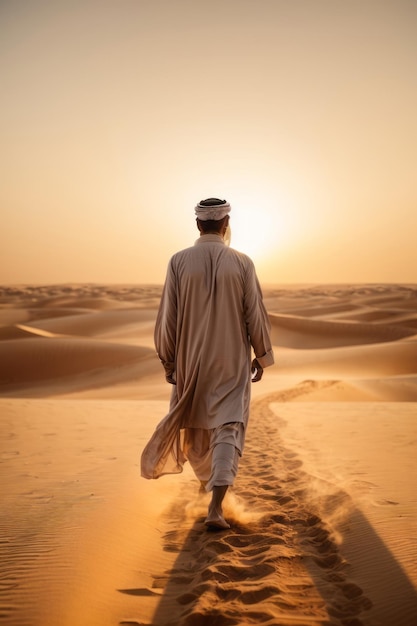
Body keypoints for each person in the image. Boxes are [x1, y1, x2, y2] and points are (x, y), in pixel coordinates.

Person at [141, 198, 274, 529]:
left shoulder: (179, 261)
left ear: (198, 225)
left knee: (198, 429)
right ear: (225, 223)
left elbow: (167, 318)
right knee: (228, 427)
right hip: (232, 361)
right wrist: (262, 354)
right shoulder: (242, 262)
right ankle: (215, 506)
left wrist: (168, 360)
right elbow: (254, 313)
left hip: (192, 358)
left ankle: (209, 493)